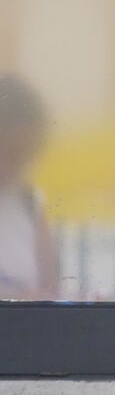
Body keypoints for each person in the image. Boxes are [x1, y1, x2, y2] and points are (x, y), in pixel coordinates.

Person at [0, 74, 56, 301]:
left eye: (27, 155)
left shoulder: (29, 201)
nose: (18, 166)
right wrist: (19, 299)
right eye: (13, 152)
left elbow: (50, 288)